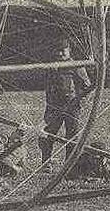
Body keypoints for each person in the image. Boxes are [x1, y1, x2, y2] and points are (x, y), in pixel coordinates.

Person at [38, 35, 93, 169]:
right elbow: (48, 86)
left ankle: (69, 165)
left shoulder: (76, 66)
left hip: (72, 107)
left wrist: (78, 101)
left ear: (69, 50)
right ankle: (46, 163)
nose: (60, 53)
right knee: (46, 134)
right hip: (54, 106)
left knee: (71, 136)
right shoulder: (53, 66)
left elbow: (87, 86)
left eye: (63, 50)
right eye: (58, 50)